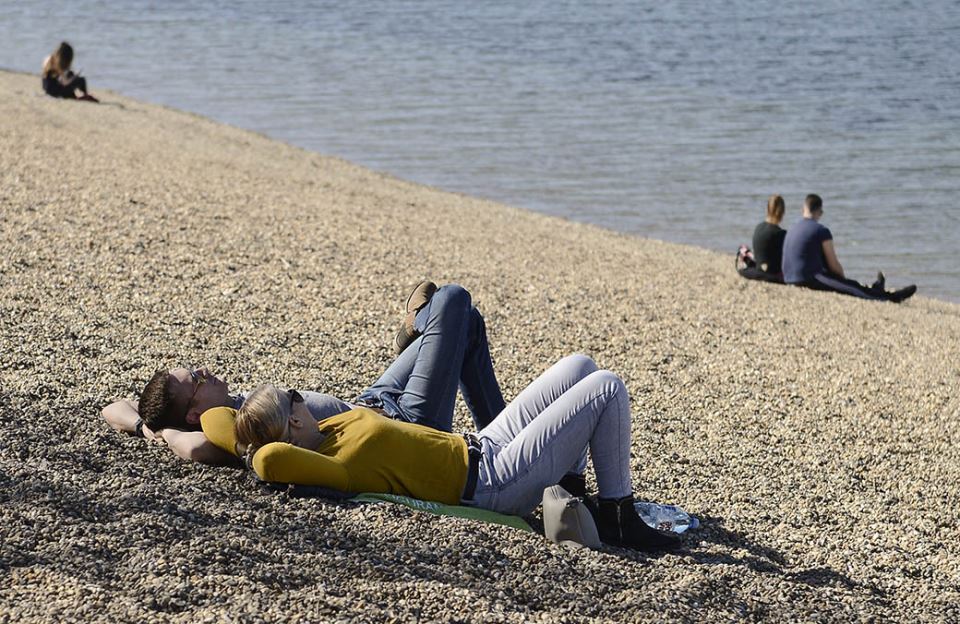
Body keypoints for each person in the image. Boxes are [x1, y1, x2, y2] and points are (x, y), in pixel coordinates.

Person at [235, 354, 681, 552]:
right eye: (294, 396)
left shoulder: (327, 427)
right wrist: (251, 448)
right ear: (293, 421)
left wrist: (244, 430)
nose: (303, 397)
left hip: (482, 446)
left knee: (580, 366)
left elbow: (224, 420)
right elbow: (269, 461)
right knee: (607, 388)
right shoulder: (333, 465)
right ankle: (618, 516)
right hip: (492, 482)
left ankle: (568, 491)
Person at [101, 282, 505, 464]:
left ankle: (502, 436)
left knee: (466, 322)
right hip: (405, 425)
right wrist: (165, 434)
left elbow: (112, 407)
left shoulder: (223, 409)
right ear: (193, 415)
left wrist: (142, 427)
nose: (205, 370)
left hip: (372, 400)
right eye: (197, 379)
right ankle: (420, 321)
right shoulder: (225, 430)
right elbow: (193, 450)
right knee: (454, 301)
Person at [781, 194, 916, 302]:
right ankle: (891, 298)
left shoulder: (792, 228)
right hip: (808, 277)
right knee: (852, 288)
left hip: (788, 278)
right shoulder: (820, 230)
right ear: (820, 212)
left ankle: (877, 288)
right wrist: (842, 279)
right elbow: (833, 264)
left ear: (803, 209)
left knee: (850, 284)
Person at [738, 195, 787, 283]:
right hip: (773, 272)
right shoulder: (781, 233)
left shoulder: (758, 227)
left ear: (767, 209)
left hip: (759, 269)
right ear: (782, 213)